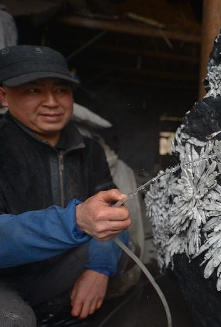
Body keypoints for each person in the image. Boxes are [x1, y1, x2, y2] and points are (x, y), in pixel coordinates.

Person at [0, 45, 132, 326]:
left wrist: (99, 268)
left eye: (61, 89)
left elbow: (114, 214)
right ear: (3, 96)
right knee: (14, 319)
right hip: (6, 280)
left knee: (117, 254)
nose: (51, 102)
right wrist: (76, 221)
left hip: (56, 272)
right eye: (33, 90)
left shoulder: (90, 149)